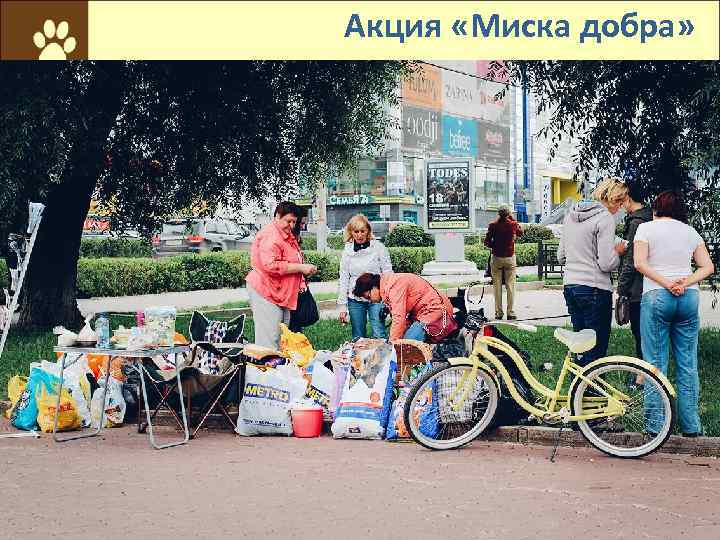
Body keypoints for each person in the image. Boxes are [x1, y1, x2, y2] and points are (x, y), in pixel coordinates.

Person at [634, 191, 714, 437]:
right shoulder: (690, 232)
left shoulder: (645, 229)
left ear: (656, 208)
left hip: (657, 296)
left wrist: (667, 284)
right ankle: (692, 427)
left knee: (655, 364)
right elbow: (708, 267)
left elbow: (640, 263)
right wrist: (684, 282)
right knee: (688, 364)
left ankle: (655, 428)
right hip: (688, 298)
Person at [557, 177, 628, 365]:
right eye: (620, 202)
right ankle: (589, 388)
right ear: (612, 198)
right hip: (595, 288)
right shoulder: (605, 218)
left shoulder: (569, 216)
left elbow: (560, 256)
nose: (620, 207)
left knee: (580, 343)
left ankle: (579, 388)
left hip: (570, 285)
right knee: (596, 346)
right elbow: (606, 263)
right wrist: (618, 251)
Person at [246, 202, 317, 349]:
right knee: (269, 340)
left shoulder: (285, 234)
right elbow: (270, 265)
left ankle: (278, 369)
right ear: (278, 216)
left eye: (294, 222)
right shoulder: (271, 235)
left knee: (283, 338)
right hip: (266, 291)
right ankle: (266, 371)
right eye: (288, 221)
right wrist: (300, 268)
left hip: (279, 293)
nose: (291, 225)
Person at [353, 272, 455, 342]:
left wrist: (391, 346)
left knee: (406, 346)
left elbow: (399, 318)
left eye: (369, 297)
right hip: (423, 314)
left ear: (374, 287)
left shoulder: (393, 285)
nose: (371, 301)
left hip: (436, 312)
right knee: (400, 340)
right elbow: (401, 321)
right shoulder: (388, 286)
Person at [337, 214, 393, 339]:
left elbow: (388, 273)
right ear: (351, 232)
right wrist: (342, 306)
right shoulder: (347, 251)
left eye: (363, 231)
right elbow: (344, 278)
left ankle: (382, 357)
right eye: (356, 231)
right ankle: (360, 358)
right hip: (355, 299)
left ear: (368, 231)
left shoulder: (379, 248)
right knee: (358, 336)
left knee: (379, 332)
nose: (359, 235)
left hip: (377, 297)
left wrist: (389, 299)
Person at [616, 183, 653, 359]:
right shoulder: (650, 218)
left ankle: (642, 377)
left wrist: (621, 289)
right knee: (647, 334)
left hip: (637, 288)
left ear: (628, 198)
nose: (621, 206)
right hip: (650, 284)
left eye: (622, 201)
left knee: (640, 333)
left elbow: (631, 261)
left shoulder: (637, 223)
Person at [484, 205, 523, 320]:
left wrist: (494, 246)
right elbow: (521, 233)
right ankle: (510, 312)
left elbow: (486, 242)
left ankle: (498, 313)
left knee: (497, 286)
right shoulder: (513, 224)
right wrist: (513, 219)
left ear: (498, 213)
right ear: (508, 214)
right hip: (510, 258)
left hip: (496, 258)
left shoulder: (493, 225)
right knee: (510, 286)